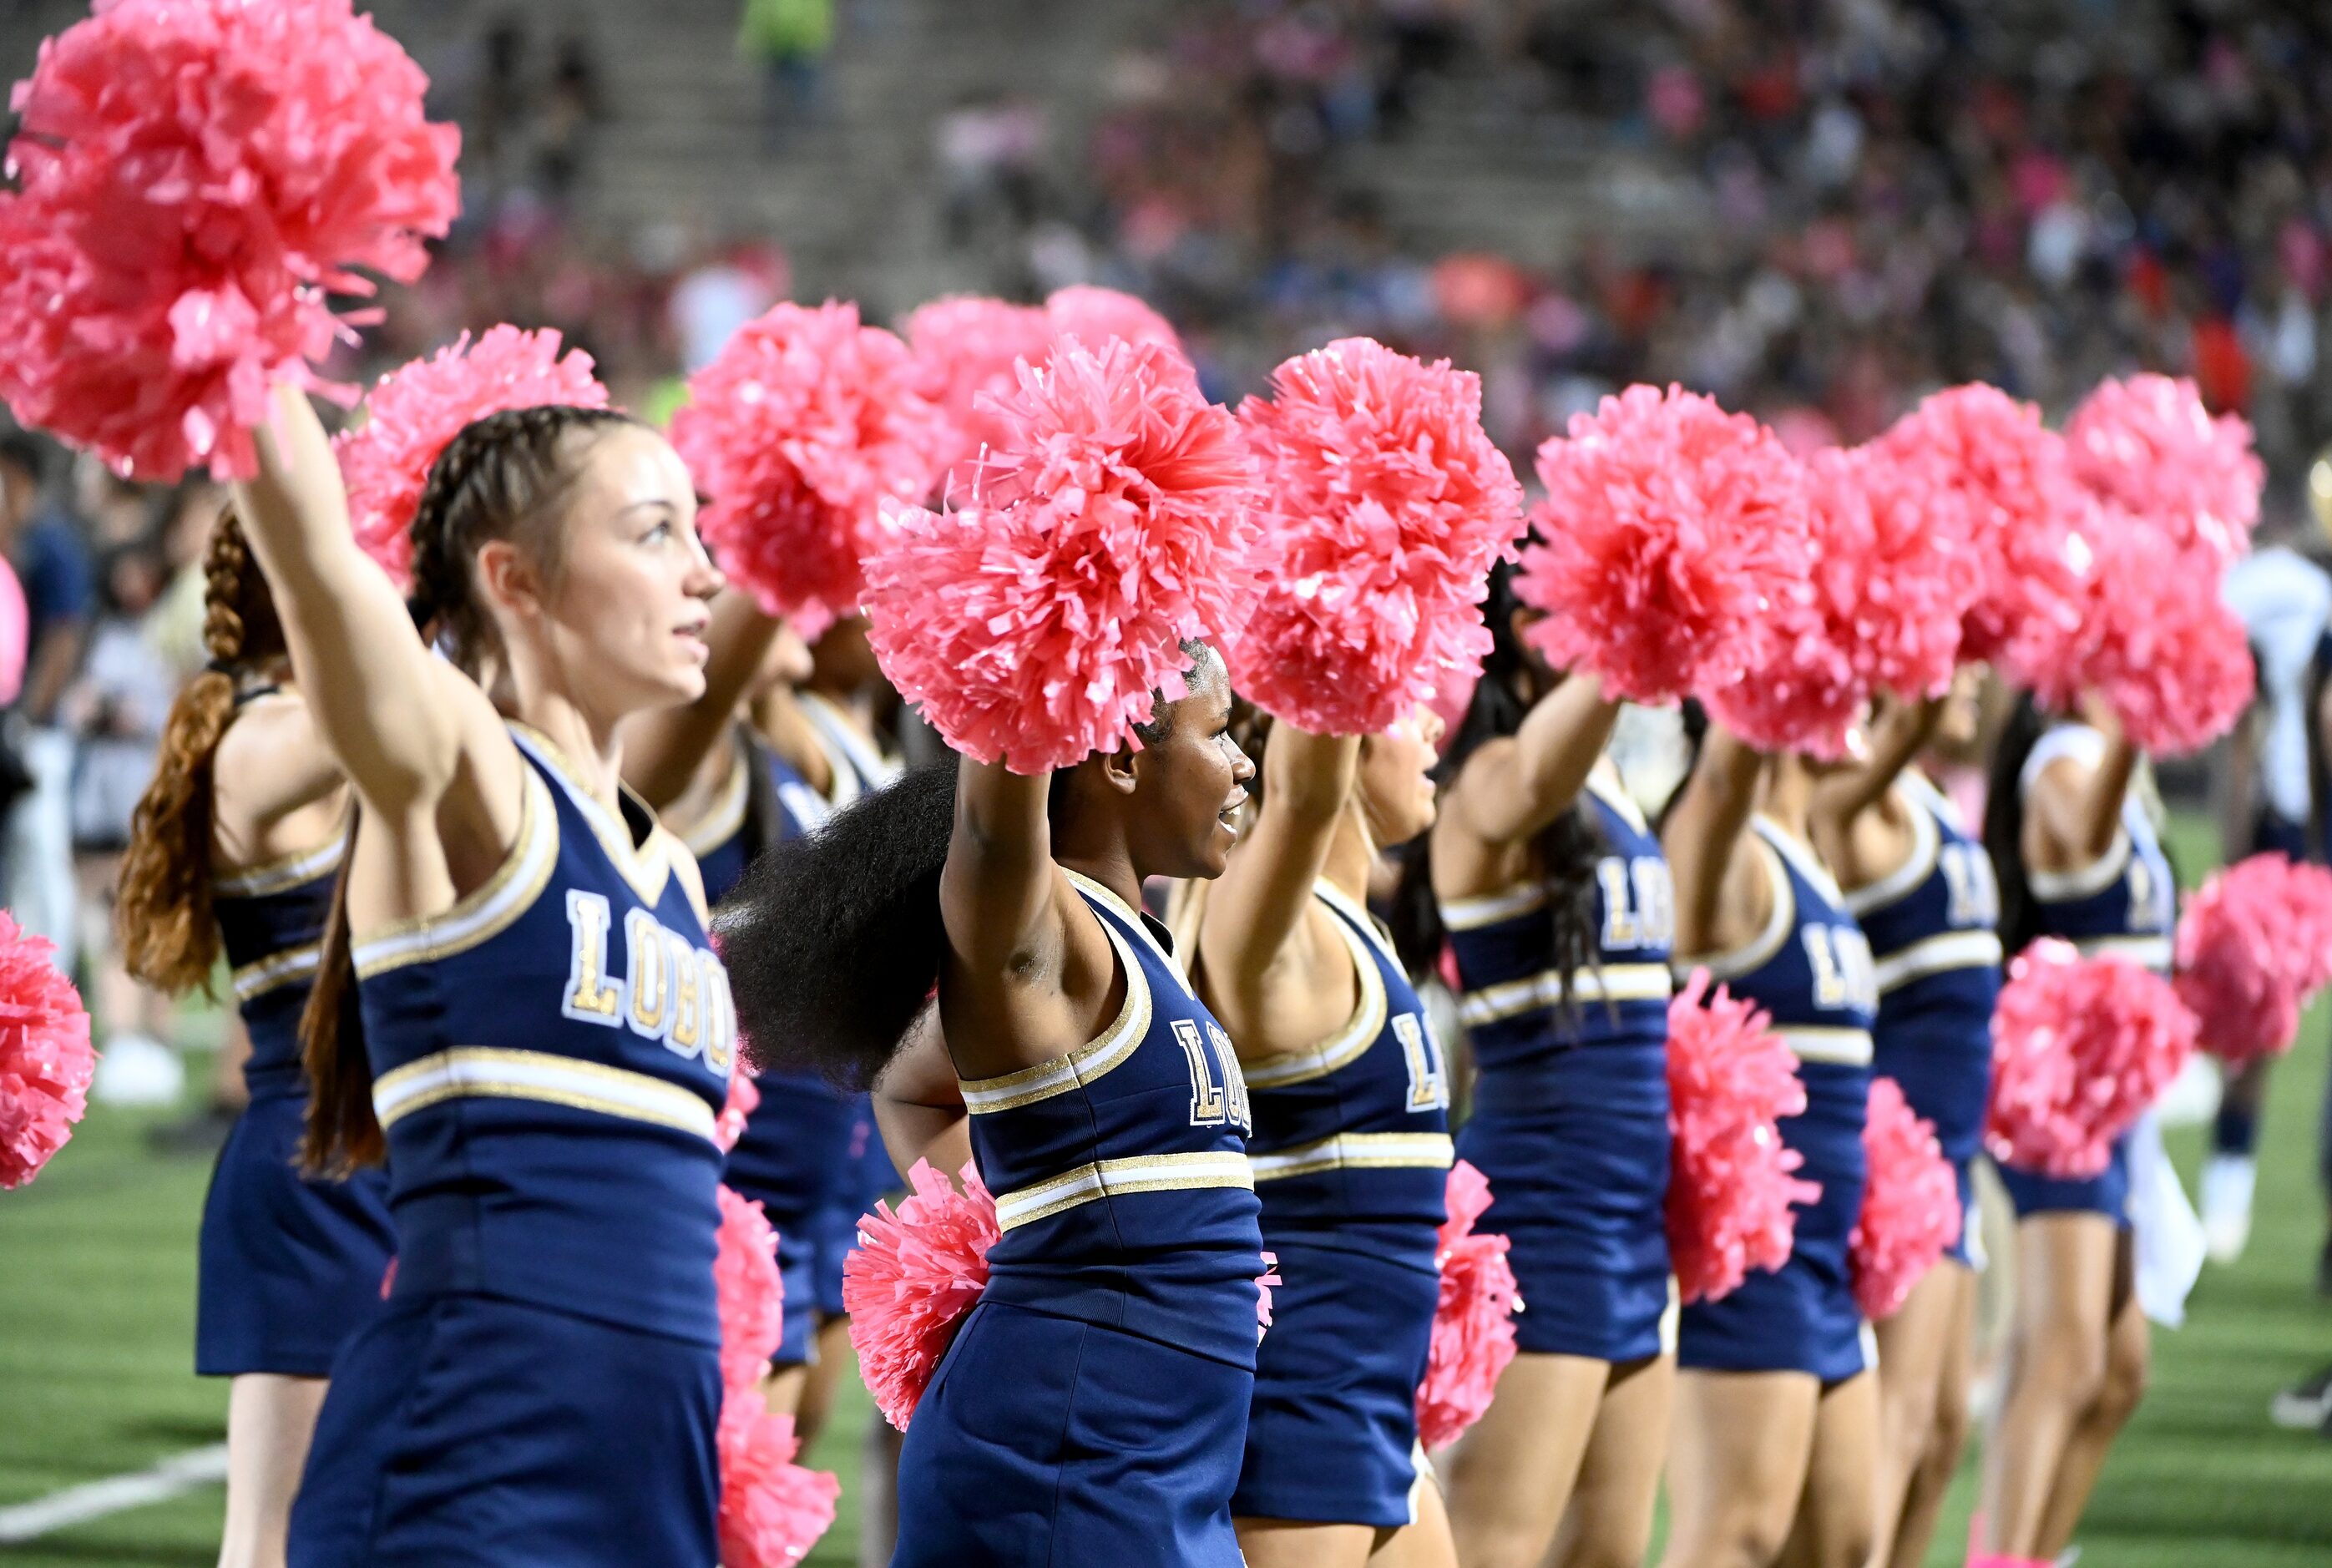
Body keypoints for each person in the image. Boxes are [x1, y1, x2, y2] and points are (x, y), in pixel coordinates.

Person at [228, 383, 736, 1565]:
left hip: (656, 1467)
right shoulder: (463, 763)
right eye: (656, 531)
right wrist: (233, 315)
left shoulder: (673, 869)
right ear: (513, 579)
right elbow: (310, 558)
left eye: (697, 532)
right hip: (473, 1449)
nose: (703, 573)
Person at [718, 640, 1263, 1565]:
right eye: (1221, 734)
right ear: (1124, 754)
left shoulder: (1135, 943)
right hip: (1068, 1456)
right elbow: (993, 827)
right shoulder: (1042, 935)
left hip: (1155, 1457)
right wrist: (1049, 622)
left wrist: (1020, 1193)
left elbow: (908, 1080)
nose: (1246, 763)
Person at [114, 510, 393, 1568]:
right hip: (313, 1172)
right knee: (272, 1540)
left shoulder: (304, 723)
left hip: (380, 1159)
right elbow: (416, 704)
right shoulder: (267, 737)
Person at [1418, 579, 1674, 1568]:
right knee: (1498, 1545)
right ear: (1528, 633)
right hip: (1543, 1211)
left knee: (1610, 1549)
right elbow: (1534, 777)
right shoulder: (1486, 781)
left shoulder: (1610, 782)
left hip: (1633, 1215)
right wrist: (1636, 622)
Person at [1175, 706, 1454, 1568]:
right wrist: (1340, 610)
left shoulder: (1350, 924)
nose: (1438, 730)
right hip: (1299, 1425)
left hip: (1374, 1412)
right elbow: (1300, 795)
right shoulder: (1269, 933)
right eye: (1407, 707)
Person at [1660, 715, 1879, 1568]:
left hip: (1828, 1263)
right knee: (1735, 1536)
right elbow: (1722, 781)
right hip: (1755, 1261)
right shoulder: (1727, 843)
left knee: (1844, 1539)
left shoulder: (1809, 840)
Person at [1806, 679, 2001, 1568]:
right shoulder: (1856, 800)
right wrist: (1916, 684)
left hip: (1955, 1155)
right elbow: (1884, 748)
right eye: (1952, 663)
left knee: (1944, 1428)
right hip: (1907, 1157)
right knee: (1900, 1419)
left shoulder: (1927, 796)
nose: (1974, 679)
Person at [1975, 694, 2167, 1566]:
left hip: (2116, 1106)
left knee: (2119, 1368)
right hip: (2063, 1099)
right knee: (2061, 1358)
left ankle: (2032, 1555)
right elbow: (2083, 849)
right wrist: (2140, 727)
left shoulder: (2101, 763)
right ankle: (2003, 1556)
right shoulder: (2060, 759)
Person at [2208, 539, 2332, 1262]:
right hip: (2286, 829)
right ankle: (2227, 1187)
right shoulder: (2287, 592)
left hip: (2291, 826)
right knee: (2256, 1020)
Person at [69, 542, 187, 1105]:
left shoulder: (174, 630)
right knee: (112, 921)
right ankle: (120, 1037)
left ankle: (158, 1037)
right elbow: (73, 703)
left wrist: (141, 719)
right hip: (104, 797)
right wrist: (91, 710)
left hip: (152, 793)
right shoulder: (103, 635)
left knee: (156, 920)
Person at [1, 431, 94, 970]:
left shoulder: (50, 542)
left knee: (42, 857)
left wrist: (30, 716)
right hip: (18, 730)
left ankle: (49, 976)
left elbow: (63, 636)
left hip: (40, 734)